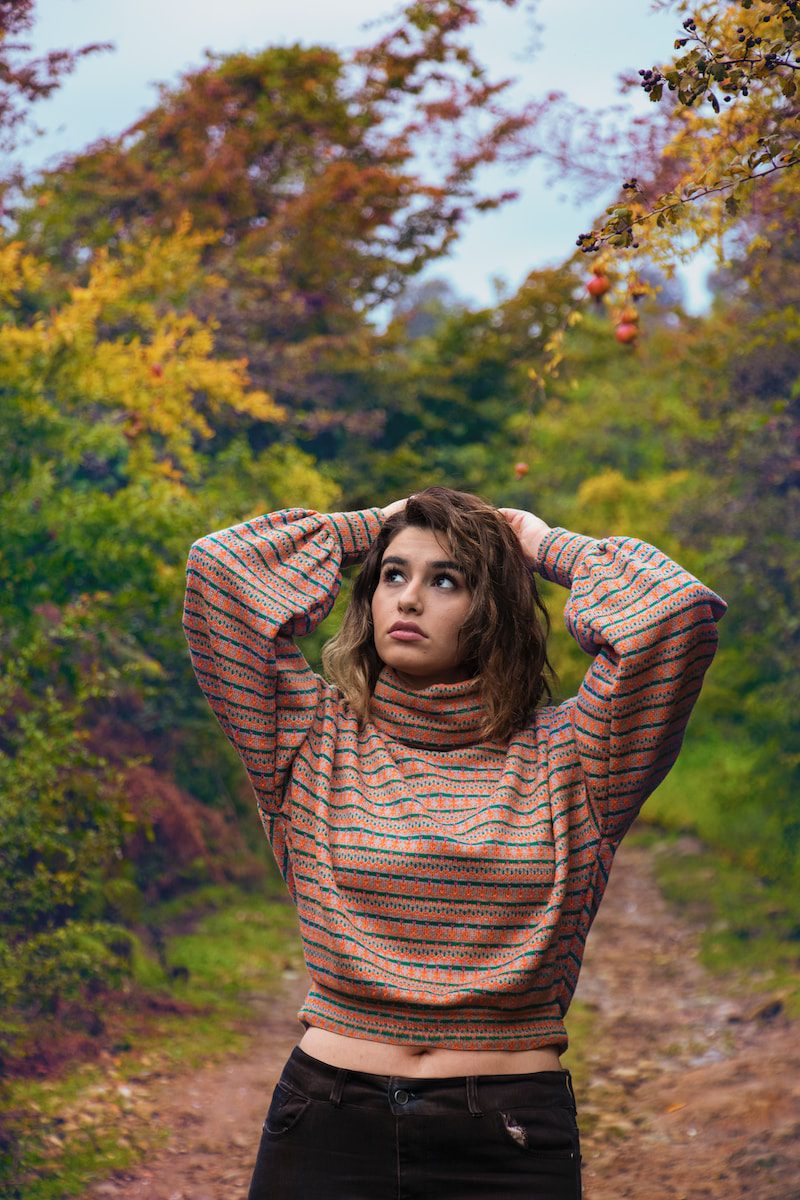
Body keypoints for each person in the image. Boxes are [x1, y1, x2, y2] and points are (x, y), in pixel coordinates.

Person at [182, 486, 727, 1200]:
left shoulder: (577, 756)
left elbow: (675, 615)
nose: (408, 600)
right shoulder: (308, 737)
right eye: (392, 575)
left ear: (494, 607)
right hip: (328, 1123)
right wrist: (372, 527)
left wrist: (539, 543)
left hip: (506, 1139)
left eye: (447, 580)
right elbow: (220, 572)